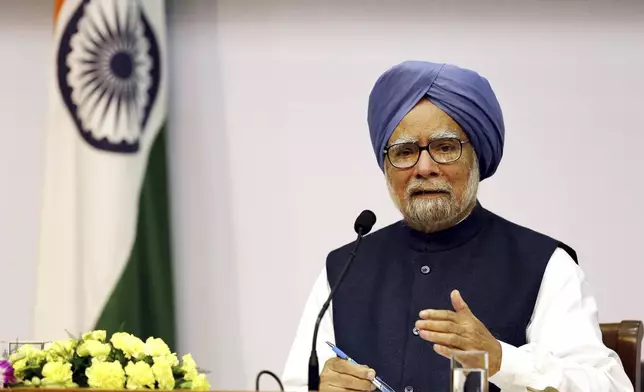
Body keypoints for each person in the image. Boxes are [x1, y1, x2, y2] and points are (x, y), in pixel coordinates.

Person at [281, 61, 633, 392]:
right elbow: (295, 382)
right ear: (386, 166)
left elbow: (608, 385)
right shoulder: (344, 268)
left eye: (445, 147)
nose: (424, 168)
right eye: (404, 152)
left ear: (476, 156)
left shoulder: (543, 264)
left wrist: (501, 359)